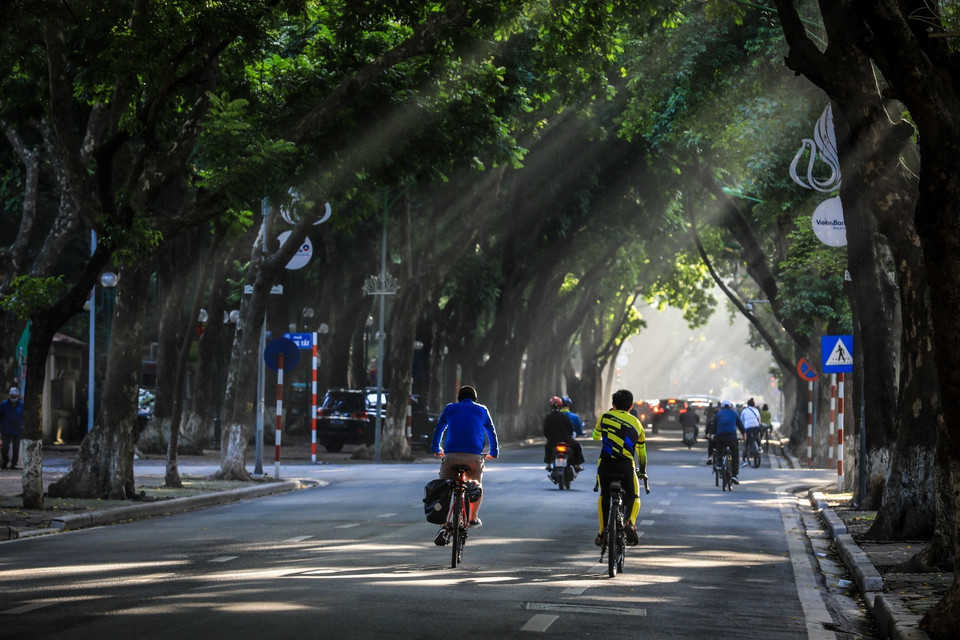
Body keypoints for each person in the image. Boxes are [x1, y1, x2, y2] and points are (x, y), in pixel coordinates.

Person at [430, 385, 499, 546]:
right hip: (474, 458)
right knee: (476, 485)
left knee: (444, 488)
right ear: (474, 399)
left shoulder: (450, 408)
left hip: (451, 457)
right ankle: (473, 518)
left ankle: (443, 526)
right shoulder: (482, 410)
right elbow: (491, 432)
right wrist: (494, 452)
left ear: (459, 398)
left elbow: (439, 428)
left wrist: (436, 448)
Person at [593, 389, 647, 547]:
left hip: (606, 464)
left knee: (604, 495)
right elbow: (641, 452)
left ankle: (602, 533)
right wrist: (642, 471)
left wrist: (606, 434)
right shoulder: (637, 423)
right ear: (631, 406)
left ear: (613, 404)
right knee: (635, 497)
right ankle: (630, 523)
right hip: (626, 466)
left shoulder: (605, 417)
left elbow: (596, 436)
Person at [543, 396, 585, 471]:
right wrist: (568, 435)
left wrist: (549, 438)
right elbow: (570, 428)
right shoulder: (564, 416)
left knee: (547, 447)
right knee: (577, 446)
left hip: (552, 441)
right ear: (560, 405)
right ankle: (578, 465)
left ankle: (548, 464)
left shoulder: (548, 417)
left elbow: (545, 431)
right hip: (566, 439)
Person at [711, 399, 745, 484]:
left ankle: (719, 464)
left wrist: (712, 434)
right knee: (735, 454)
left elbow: (714, 426)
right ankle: (734, 475)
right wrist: (744, 436)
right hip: (731, 437)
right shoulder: (734, 413)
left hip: (720, 436)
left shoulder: (718, 414)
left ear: (722, 407)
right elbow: (740, 426)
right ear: (730, 406)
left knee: (719, 449)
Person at [1, 387, 24, 471]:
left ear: (17, 396)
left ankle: (13, 464)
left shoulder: (22, 405)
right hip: (6, 429)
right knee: (5, 447)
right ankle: (5, 461)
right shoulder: (3, 405)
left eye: (14, 396)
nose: (13, 398)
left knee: (16, 448)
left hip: (17, 430)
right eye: (12, 396)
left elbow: (23, 417)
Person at [740, 398, 762, 462]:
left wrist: (743, 428)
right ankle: (759, 446)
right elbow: (759, 420)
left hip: (748, 428)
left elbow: (742, 421)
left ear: (748, 404)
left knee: (746, 443)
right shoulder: (756, 410)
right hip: (756, 427)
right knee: (757, 436)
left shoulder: (744, 411)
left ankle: (744, 459)